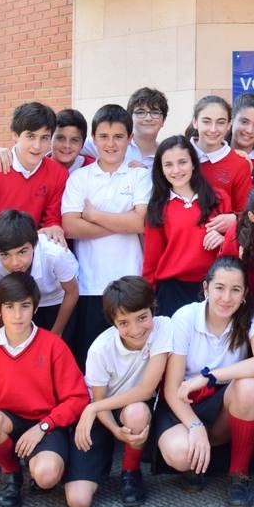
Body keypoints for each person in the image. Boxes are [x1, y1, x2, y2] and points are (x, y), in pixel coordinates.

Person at [0, 273, 89, 507]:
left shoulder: (53, 345)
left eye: (24, 306)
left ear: (34, 309)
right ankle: (11, 472)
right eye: (9, 307)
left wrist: (44, 426)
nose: (17, 315)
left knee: (46, 477)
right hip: (5, 423)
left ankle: (36, 462)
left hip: (45, 425)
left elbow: (77, 398)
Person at [156, 257, 254, 507]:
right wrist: (195, 426)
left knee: (250, 385)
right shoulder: (185, 317)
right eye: (219, 287)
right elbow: (171, 388)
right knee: (179, 453)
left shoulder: (249, 316)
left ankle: (238, 473)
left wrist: (210, 376)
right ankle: (198, 460)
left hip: (224, 405)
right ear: (206, 288)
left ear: (244, 294)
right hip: (184, 403)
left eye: (235, 289)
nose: (226, 297)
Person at [65, 276, 172, 507]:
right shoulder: (100, 350)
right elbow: (98, 400)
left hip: (129, 406)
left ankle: (130, 472)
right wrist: (113, 429)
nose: (135, 329)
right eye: (124, 323)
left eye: (142, 318)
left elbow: (145, 390)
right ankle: (98, 458)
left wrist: (94, 408)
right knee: (78, 500)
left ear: (152, 309)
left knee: (136, 413)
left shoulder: (163, 328)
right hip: (102, 412)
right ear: (113, 323)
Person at [62, 104, 152, 367]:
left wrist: (94, 215)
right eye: (103, 136)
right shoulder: (80, 178)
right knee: (91, 361)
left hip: (131, 281)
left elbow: (141, 222)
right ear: (93, 139)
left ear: (130, 139)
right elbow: (70, 226)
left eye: (118, 137)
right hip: (90, 284)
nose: (110, 144)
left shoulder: (139, 175)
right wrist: (124, 223)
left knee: (131, 361)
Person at [0, 101, 68, 251]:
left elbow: (52, 219)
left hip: (29, 251)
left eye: (44, 138)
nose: (37, 146)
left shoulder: (58, 173)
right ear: (15, 135)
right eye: (30, 136)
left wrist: (54, 227)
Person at [143, 135, 230, 317]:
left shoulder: (218, 198)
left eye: (182, 162)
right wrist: (146, 300)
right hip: (172, 291)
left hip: (216, 287)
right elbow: (151, 259)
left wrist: (225, 238)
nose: (176, 170)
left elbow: (238, 242)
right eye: (168, 164)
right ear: (161, 169)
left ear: (193, 163)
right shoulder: (158, 207)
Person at [0, 209, 80, 337]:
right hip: (17, 302)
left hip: (58, 300)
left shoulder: (55, 254)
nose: (15, 263)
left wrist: (57, 332)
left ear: (34, 245)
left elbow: (72, 291)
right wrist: (4, 328)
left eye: (22, 252)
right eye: (5, 254)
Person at [186, 95, 251, 238]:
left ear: (229, 125)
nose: (213, 129)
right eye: (206, 122)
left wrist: (235, 219)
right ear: (195, 122)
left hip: (217, 245)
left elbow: (246, 212)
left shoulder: (239, 164)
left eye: (220, 123)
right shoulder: (178, 154)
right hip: (179, 241)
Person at [82, 87, 168, 169]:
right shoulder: (108, 142)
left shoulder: (167, 153)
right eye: (140, 112)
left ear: (163, 120)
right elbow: (72, 146)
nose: (148, 118)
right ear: (129, 118)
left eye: (155, 112)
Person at [52, 108, 94, 174]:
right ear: (49, 138)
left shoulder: (94, 168)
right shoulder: (36, 164)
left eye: (74, 140)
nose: (67, 145)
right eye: (60, 138)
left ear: (82, 144)